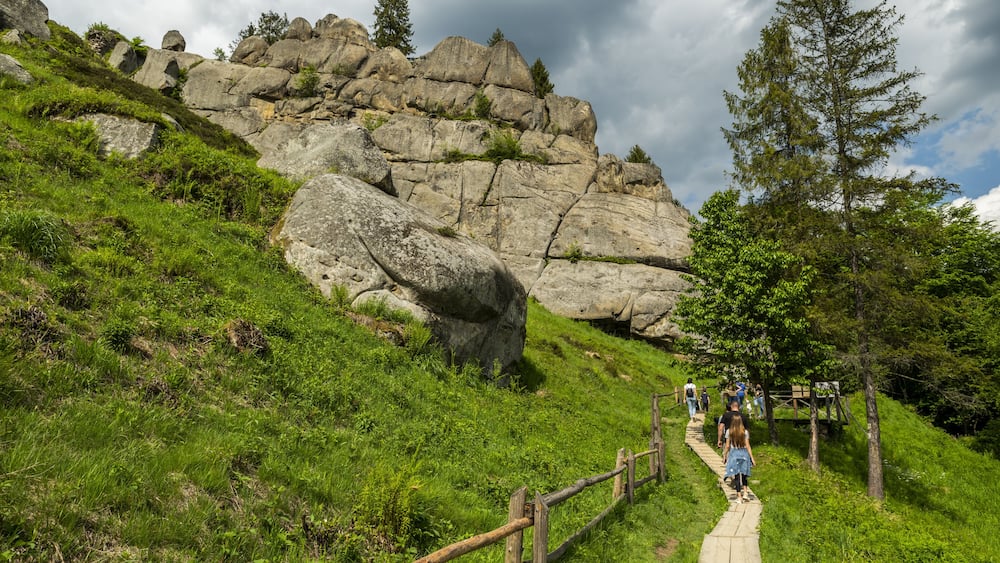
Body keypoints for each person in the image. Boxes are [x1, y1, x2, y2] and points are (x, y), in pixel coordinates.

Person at [723, 415, 756, 503]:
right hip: (744, 454)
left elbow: (727, 446)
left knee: (737, 476)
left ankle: (739, 497)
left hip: (734, 454)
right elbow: (748, 446)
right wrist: (752, 458)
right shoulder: (745, 432)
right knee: (744, 475)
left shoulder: (729, 432)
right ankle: (745, 493)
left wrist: (725, 455)